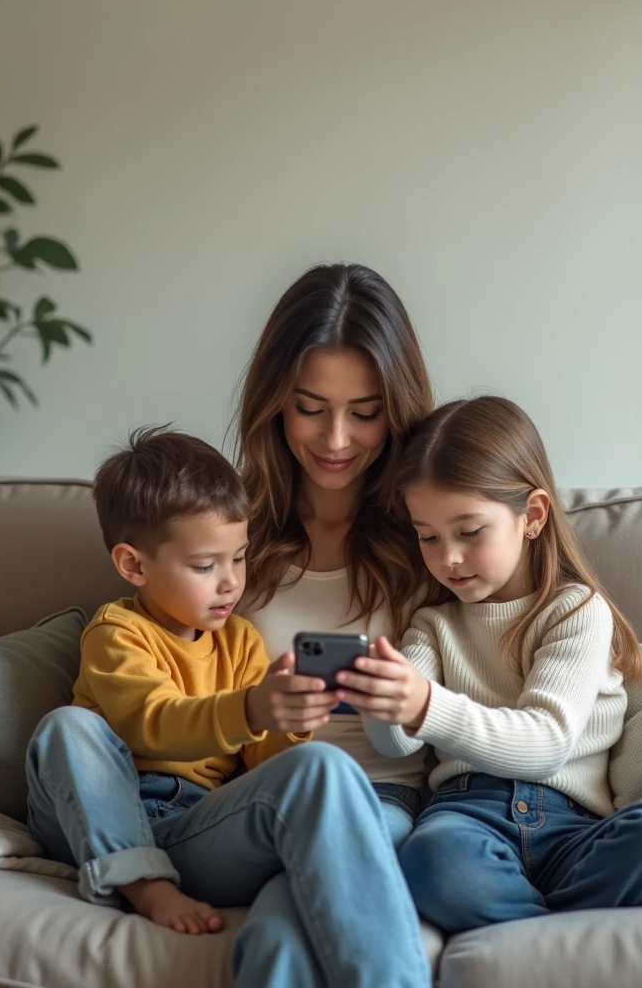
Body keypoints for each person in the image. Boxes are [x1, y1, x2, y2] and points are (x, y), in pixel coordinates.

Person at [25, 428, 430, 988]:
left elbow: (259, 765)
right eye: (204, 565)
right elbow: (154, 723)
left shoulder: (239, 640)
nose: (231, 581)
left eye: (238, 557)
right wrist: (250, 709)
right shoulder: (117, 634)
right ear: (133, 565)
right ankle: (142, 885)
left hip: (195, 828)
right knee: (68, 729)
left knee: (324, 767)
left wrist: (290, 723)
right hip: (99, 817)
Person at [333, 395, 642, 934]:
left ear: (531, 516)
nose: (448, 558)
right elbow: (396, 744)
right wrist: (385, 702)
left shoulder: (576, 611)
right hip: (466, 816)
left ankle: (530, 932)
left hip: (573, 823)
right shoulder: (432, 625)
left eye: (469, 532)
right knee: (430, 862)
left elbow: (546, 742)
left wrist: (427, 705)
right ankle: (552, 938)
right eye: (428, 536)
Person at [235, 261, 435, 848]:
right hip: (258, 805)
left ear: (395, 410)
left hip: (385, 806)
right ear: (274, 403)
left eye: (366, 413)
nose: (337, 440)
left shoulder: (435, 538)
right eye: (311, 408)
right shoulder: (224, 533)